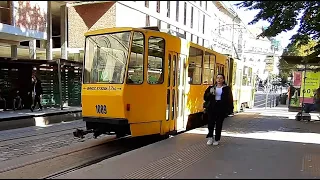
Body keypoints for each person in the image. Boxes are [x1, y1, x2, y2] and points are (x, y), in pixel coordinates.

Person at [203, 74, 234, 146]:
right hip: (212, 107)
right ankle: (210, 137)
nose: (219, 80)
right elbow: (205, 98)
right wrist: (210, 94)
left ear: (223, 80)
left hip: (221, 108)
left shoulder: (226, 89)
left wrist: (230, 109)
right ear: (216, 79)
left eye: (221, 78)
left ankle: (217, 139)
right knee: (210, 123)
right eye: (217, 78)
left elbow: (230, 99)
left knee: (219, 124)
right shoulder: (211, 88)